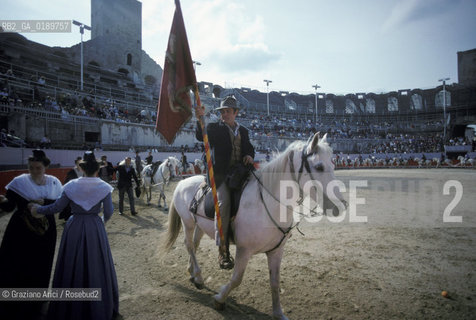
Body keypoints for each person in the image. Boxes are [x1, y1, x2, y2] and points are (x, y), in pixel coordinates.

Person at [29, 151, 119, 320]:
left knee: (71, 263)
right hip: (94, 227)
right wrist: (101, 221)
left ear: (82, 168)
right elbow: (109, 211)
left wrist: (37, 209)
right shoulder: (104, 187)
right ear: (97, 169)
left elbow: (56, 207)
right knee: (97, 263)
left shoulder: (70, 185)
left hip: (75, 226)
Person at [0, 149, 63, 320]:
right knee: (18, 261)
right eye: (31, 168)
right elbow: (10, 206)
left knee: (41, 262)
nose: (34, 171)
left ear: (45, 167)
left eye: (38, 168)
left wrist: (45, 202)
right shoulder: (19, 182)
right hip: (21, 231)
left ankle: (37, 300)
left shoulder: (54, 183)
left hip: (45, 231)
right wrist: (3, 201)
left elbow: (60, 204)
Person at [195, 95, 255, 269]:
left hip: (241, 172)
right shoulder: (214, 127)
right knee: (223, 204)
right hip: (221, 175)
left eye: (228, 111)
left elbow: (248, 147)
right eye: (223, 112)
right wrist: (200, 118)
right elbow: (201, 135)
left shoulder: (243, 130)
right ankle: (223, 251)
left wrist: (249, 155)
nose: (225, 114)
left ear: (235, 113)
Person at [59, 156, 83, 221]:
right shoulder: (72, 172)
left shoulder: (84, 172)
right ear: (76, 164)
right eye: (79, 164)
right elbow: (67, 183)